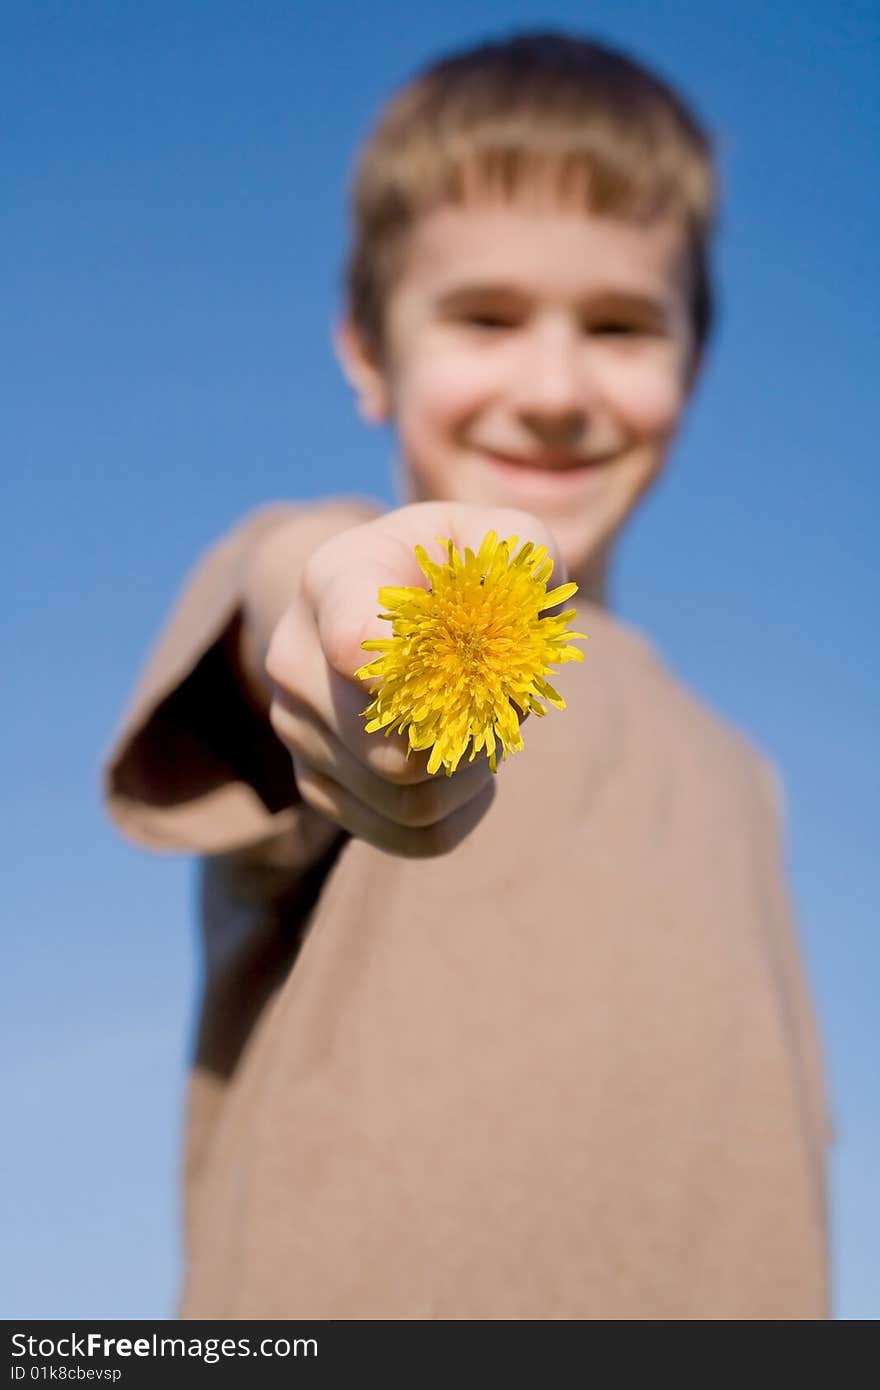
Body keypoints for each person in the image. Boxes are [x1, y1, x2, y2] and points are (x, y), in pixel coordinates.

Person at [101, 30, 831, 1318]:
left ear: (694, 366)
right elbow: (304, 595)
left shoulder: (745, 777)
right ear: (369, 355)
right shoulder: (331, 570)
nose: (553, 389)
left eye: (619, 326)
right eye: (485, 318)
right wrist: (357, 636)